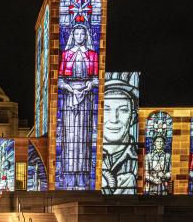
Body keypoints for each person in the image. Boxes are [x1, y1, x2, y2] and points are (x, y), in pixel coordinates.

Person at [57, 23, 99, 189]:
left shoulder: (92, 55)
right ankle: (69, 177)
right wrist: (69, 88)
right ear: (73, 36)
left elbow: (96, 78)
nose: (80, 37)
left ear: (86, 36)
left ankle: (82, 177)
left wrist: (89, 86)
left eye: (83, 34)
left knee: (83, 137)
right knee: (70, 137)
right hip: (69, 99)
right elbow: (60, 80)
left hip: (85, 100)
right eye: (77, 34)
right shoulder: (67, 55)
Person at [101, 72, 139, 194]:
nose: (114, 119)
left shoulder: (139, 156)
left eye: (122, 110)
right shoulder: (86, 159)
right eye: (106, 110)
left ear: (132, 117)